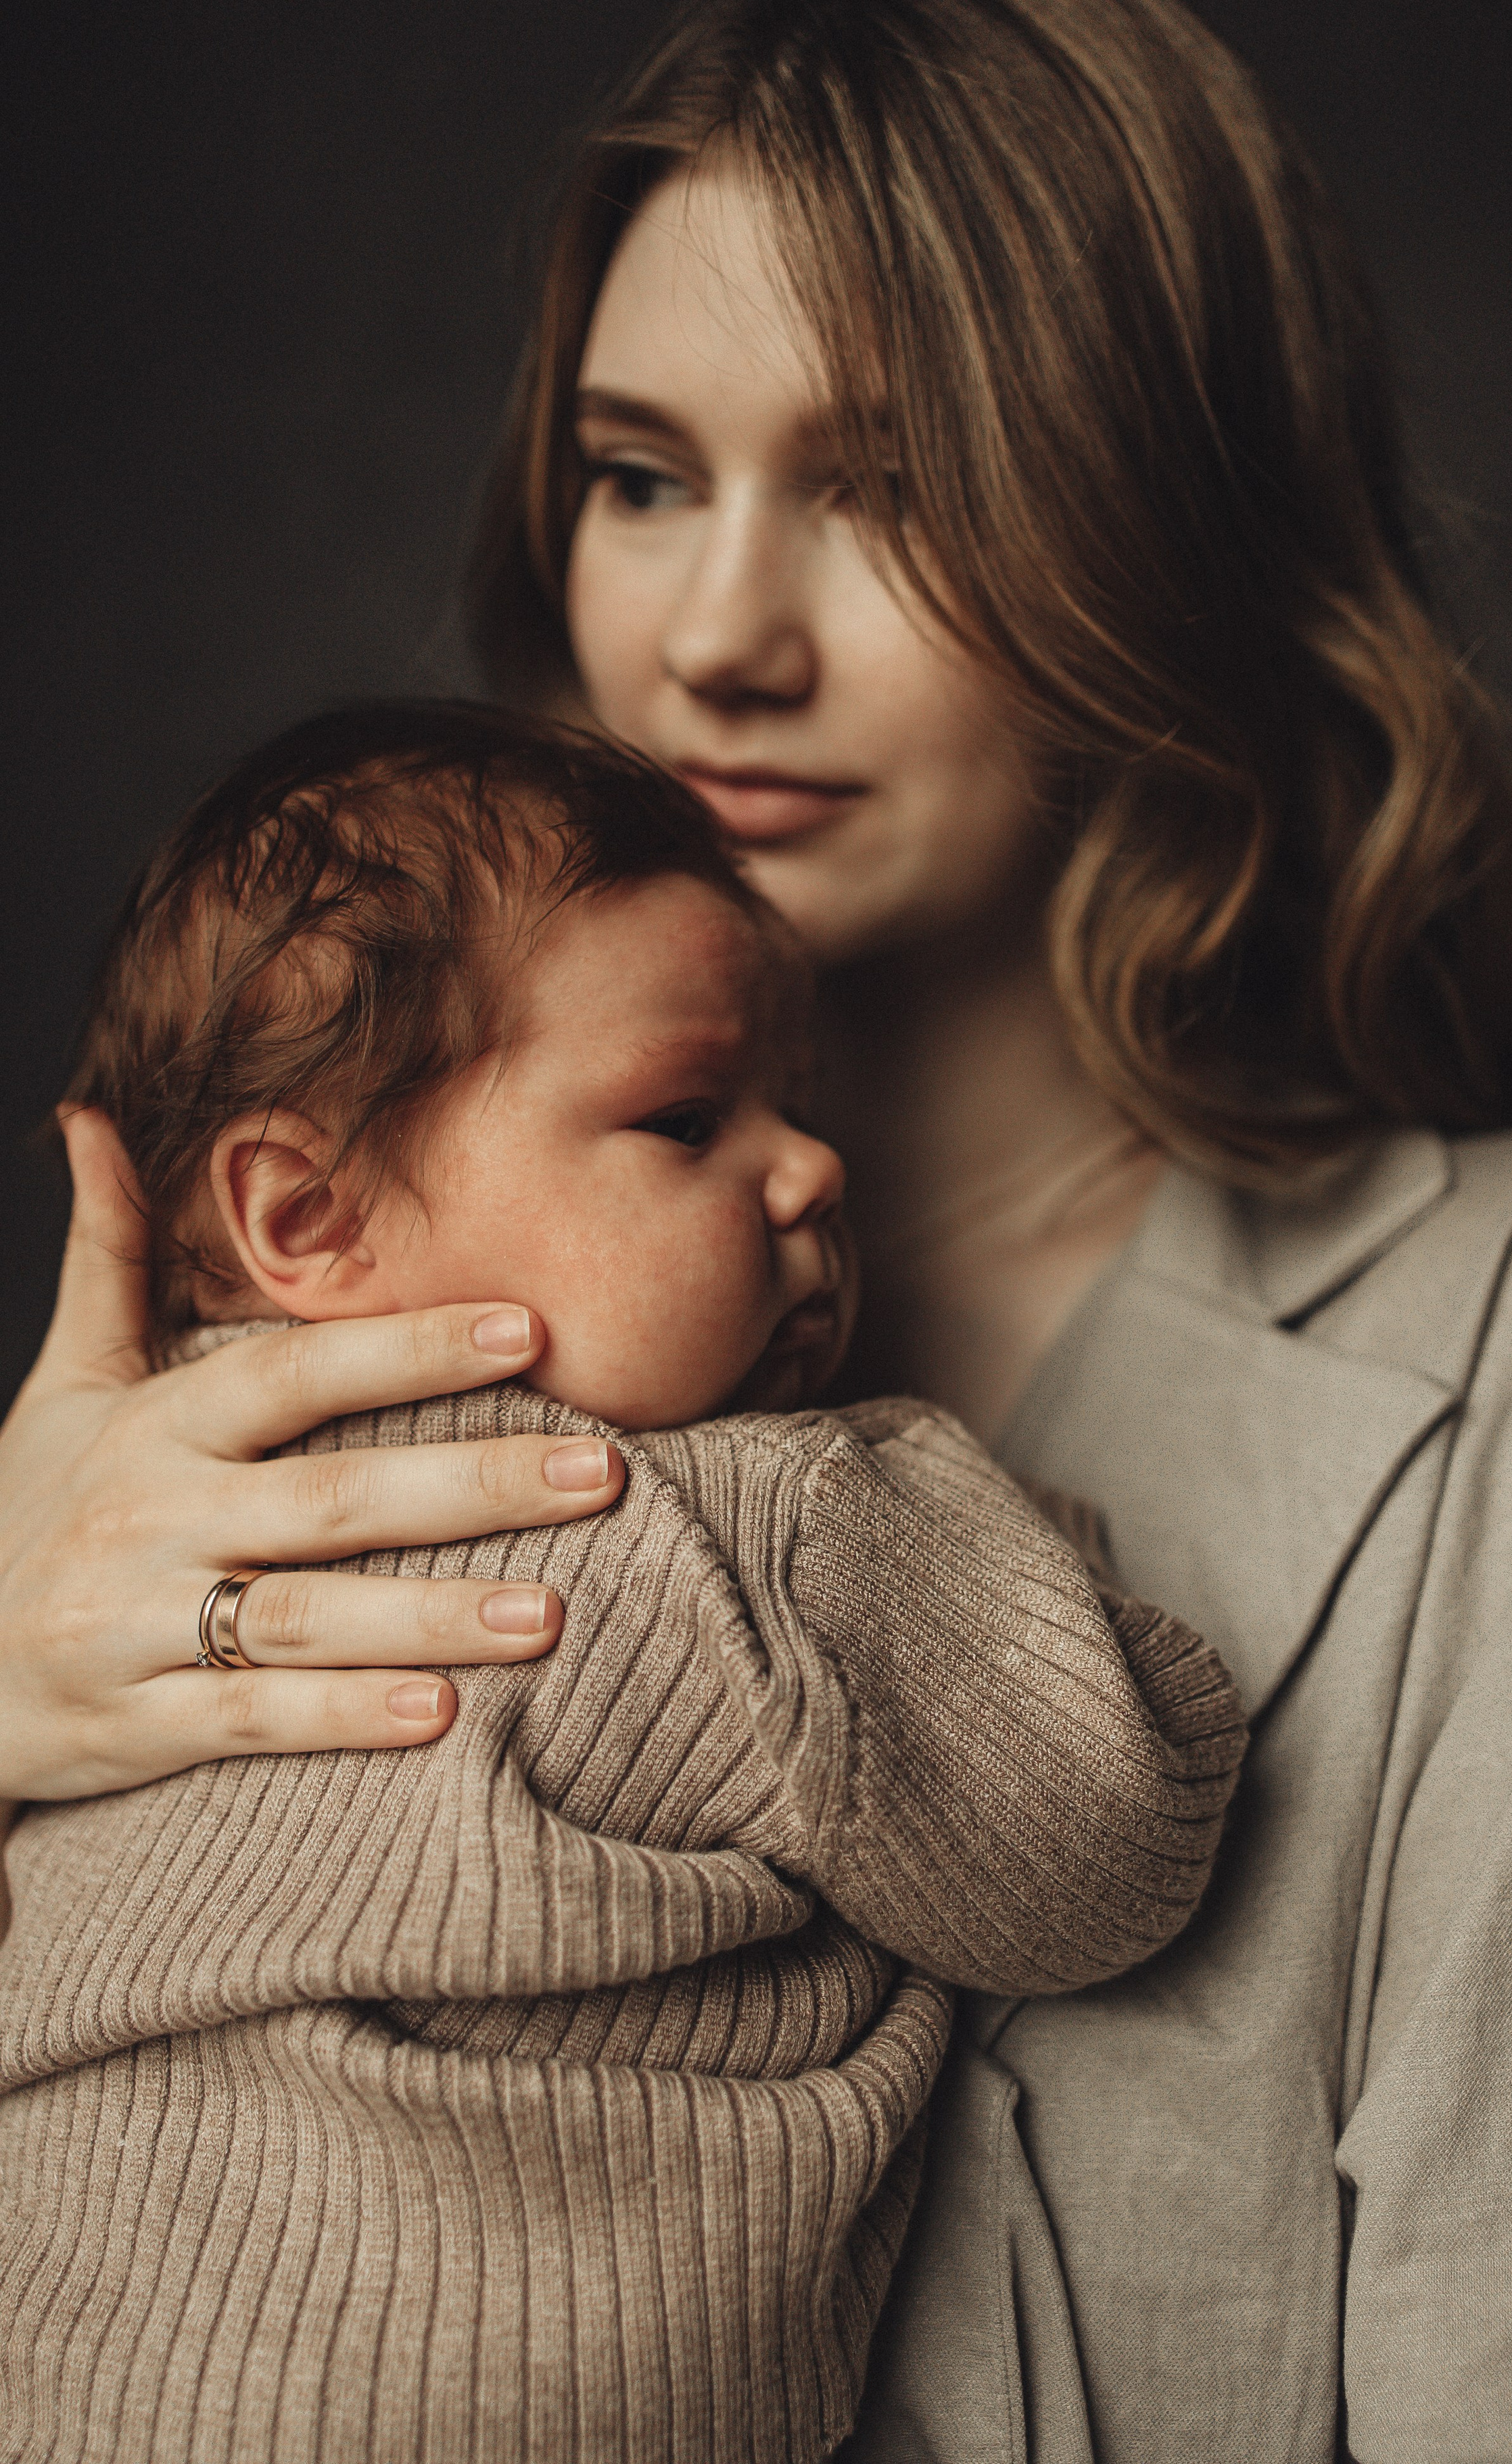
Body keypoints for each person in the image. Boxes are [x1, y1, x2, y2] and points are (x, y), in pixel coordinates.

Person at [3, 0, 1512, 2461]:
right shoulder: (261, 1356)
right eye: (634, 475)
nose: (718, 636)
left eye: (897, 494)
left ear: (1171, 542)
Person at [0, 700, 1244, 2463]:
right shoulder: (758, 1531)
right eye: (686, 1118)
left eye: (796, 1105)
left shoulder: (93, 1535)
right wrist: (965, 1533)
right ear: (309, 1221)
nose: (811, 1168)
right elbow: (1116, 1840)